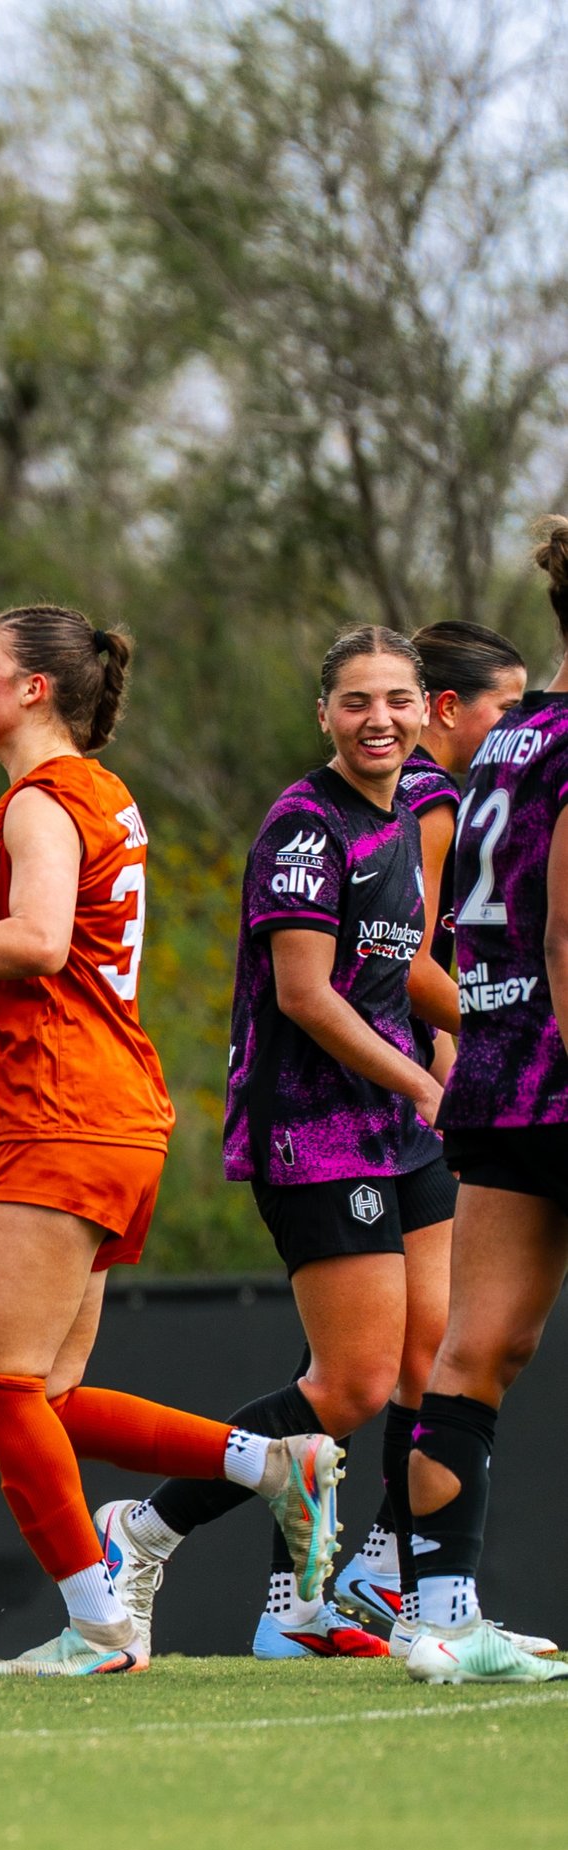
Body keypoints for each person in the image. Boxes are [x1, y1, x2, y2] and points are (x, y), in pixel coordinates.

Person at [0, 602, 341, 1677]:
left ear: (34, 690)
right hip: (112, 1114)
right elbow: (53, 918)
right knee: (47, 1397)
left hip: (63, 1112)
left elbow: (41, 943)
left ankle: (98, 1626)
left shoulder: (44, 800)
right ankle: (271, 1464)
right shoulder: (75, 798)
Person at [98, 628, 449, 1660]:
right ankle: (143, 1530)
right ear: (324, 716)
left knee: (436, 1357)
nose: (376, 719)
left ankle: (354, 1598)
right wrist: (427, 1078)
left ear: (424, 708)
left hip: (397, 1124)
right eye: (353, 702)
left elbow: (409, 973)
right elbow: (306, 997)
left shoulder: (408, 817)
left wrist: (481, 1038)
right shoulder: (305, 828)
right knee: (351, 1388)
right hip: (315, 1130)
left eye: (395, 699)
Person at [398, 523, 568, 1685]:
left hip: (498, 1066)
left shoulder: (514, 740)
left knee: (476, 1348)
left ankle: (440, 1621)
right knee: (479, 1344)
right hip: (559, 1066)